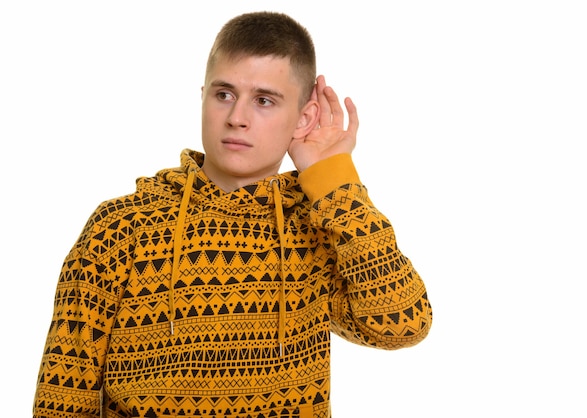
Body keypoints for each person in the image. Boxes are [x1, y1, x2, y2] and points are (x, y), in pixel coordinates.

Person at [33, 11, 432, 418]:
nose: (236, 117)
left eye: (263, 101)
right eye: (224, 94)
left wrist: (332, 181)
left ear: (305, 118)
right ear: (203, 96)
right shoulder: (120, 228)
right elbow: (62, 395)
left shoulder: (315, 229)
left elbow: (402, 324)